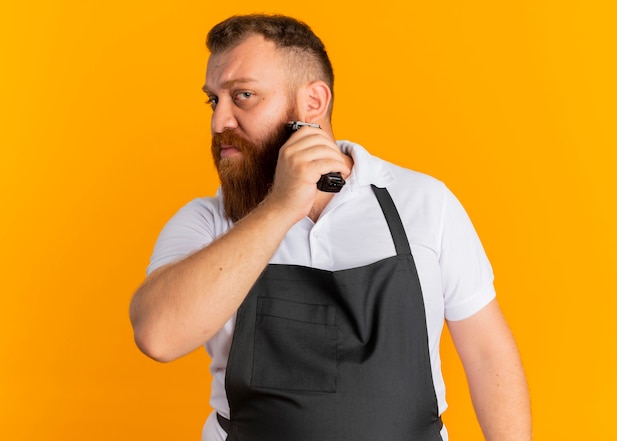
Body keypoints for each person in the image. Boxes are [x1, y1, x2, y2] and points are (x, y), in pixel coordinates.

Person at [130, 14, 531, 441]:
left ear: (313, 103)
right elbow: (158, 337)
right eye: (214, 100)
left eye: (243, 95)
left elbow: (489, 356)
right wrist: (281, 206)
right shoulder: (208, 222)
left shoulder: (425, 203)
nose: (219, 122)